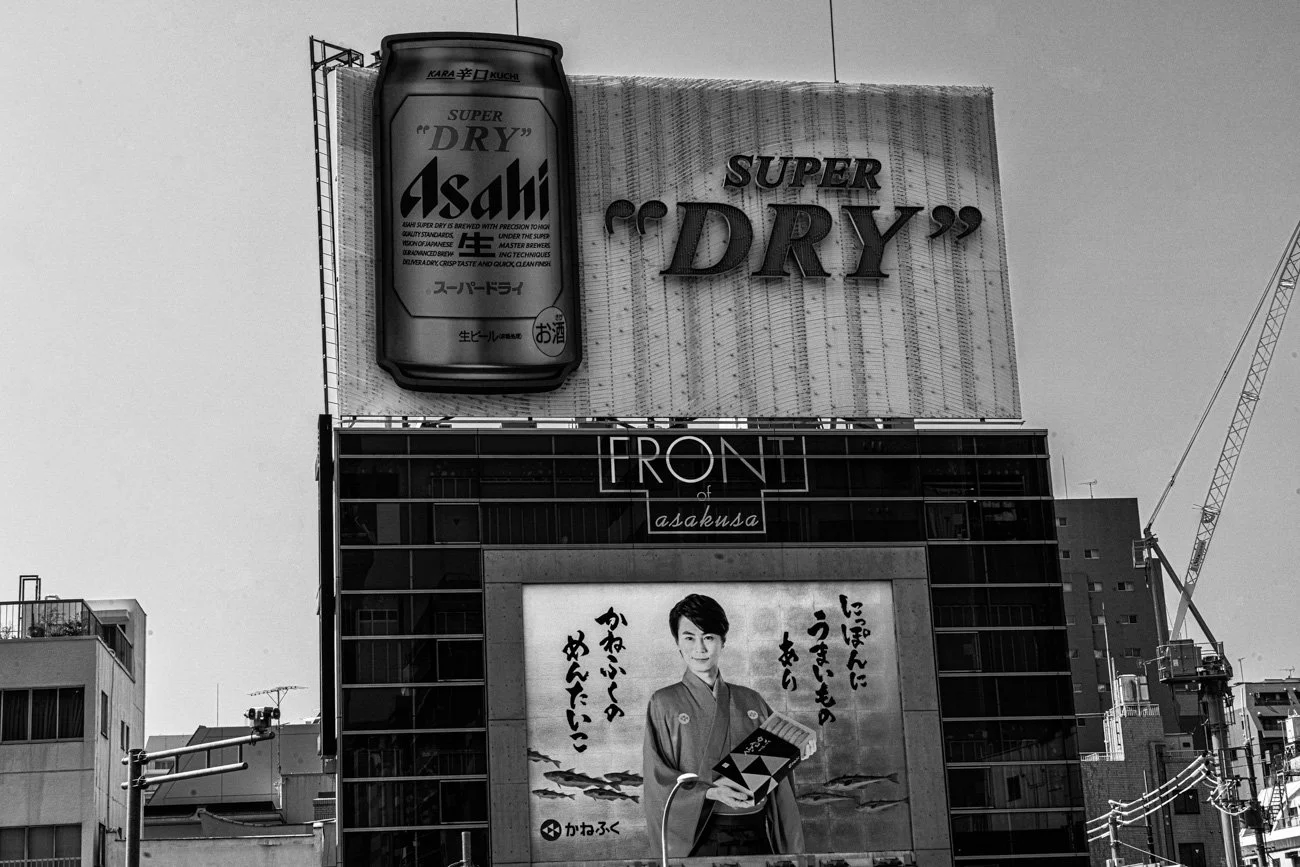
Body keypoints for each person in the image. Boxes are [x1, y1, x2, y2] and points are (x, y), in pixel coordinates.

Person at [643, 594, 810, 858]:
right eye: (689, 638)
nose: (700, 648)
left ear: (723, 641)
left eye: (708, 637)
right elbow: (658, 780)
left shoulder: (751, 700)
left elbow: (778, 783)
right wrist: (710, 793)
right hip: (700, 837)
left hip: (755, 832)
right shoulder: (664, 703)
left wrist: (793, 754)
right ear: (677, 643)